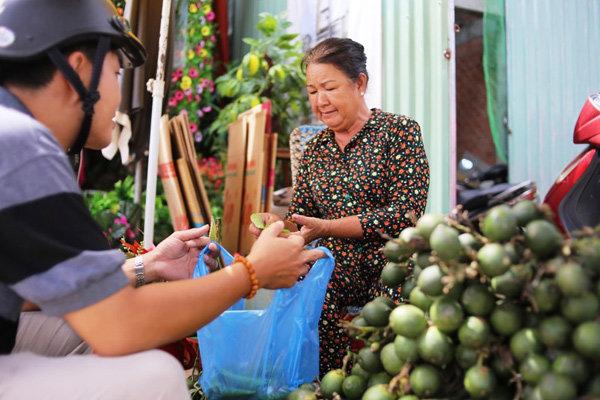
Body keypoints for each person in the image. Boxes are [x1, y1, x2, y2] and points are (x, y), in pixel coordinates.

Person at [0, 1, 322, 399]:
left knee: (79, 332)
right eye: (117, 73)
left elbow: (32, 296)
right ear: (79, 68)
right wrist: (251, 273)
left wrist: (146, 266)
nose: (118, 97)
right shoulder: (21, 144)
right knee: (156, 374)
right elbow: (118, 325)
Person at [250, 37, 430, 373]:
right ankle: (326, 385)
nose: (320, 101)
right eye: (312, 90)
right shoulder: (316, 149)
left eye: (329, 88)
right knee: (311, 299)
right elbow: (301, 217)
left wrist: (329, 227)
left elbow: (406, 213)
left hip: (392, 259)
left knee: (395, 322)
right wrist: (274, 227)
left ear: (360, 83)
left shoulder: (399, 131)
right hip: (335, 264)